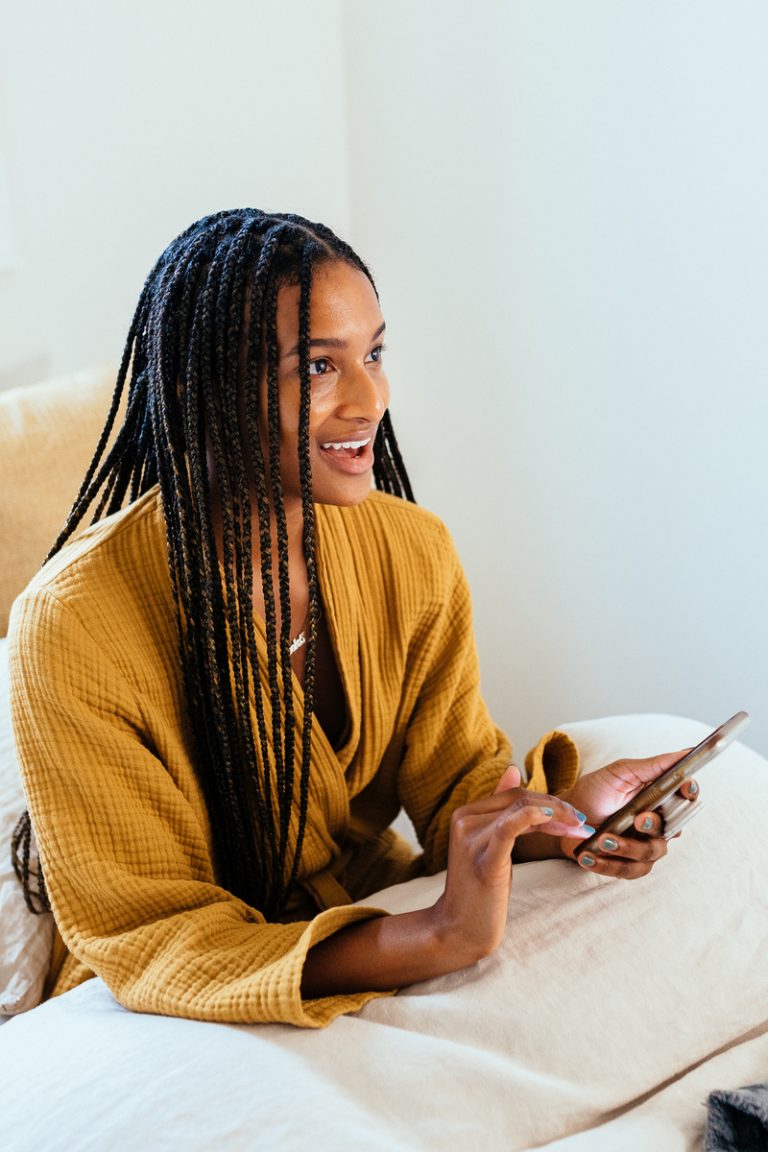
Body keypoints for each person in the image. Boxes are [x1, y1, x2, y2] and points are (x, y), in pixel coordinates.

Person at [9, 209, 698, 1027]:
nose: (371, 399)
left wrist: (572, 820)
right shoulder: (74, 624)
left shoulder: (413, 550)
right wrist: (433, 937)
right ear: (204, 390)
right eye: (318, 368)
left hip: (381, 914)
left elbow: (458, 792)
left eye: (373, 354)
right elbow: (153, 935)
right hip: (175, 1000)